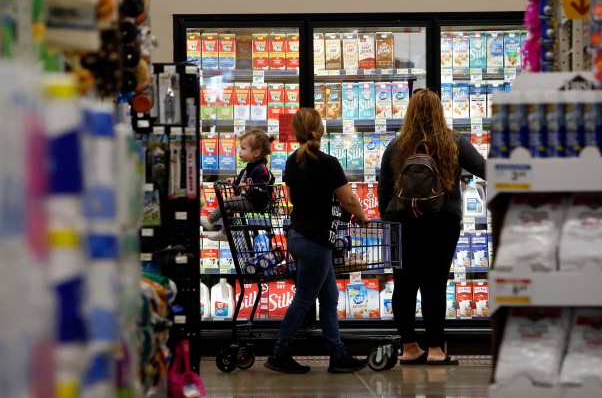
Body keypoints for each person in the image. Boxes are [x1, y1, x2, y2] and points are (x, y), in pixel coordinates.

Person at [378, 89, 486, 365]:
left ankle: (410, 347)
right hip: (442, 219)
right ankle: (436, 349)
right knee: (434, 282)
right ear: (439, 111)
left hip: (400, 219)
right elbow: (485, 169)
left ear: (410, 112)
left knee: (404, 283)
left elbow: (383, 189)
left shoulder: (398, 145)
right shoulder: (453, 142)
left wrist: (390, 218)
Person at [265, 108, 370, 374]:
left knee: (330, 296)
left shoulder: (292, 161)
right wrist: (361, 215)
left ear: (297, 132)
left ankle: (337, 354)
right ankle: (280, 354)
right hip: (316, 240)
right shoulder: (328, 162)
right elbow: (348, 199)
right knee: (303, 299)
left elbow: (293, 197)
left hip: (299, 236)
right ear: (320, 129)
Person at [201, 129, 275, 242]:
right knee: (230, 207)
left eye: (243, 148)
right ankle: (225, 233)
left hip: (256, 203)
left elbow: (261, 187)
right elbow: (243, 180)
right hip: (248, 199)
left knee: (228, 202)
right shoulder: (250, 167)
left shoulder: (261, 170)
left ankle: (210, 220)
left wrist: (248, 187)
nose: (240, 151)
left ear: (256, 153)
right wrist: (235, 181)